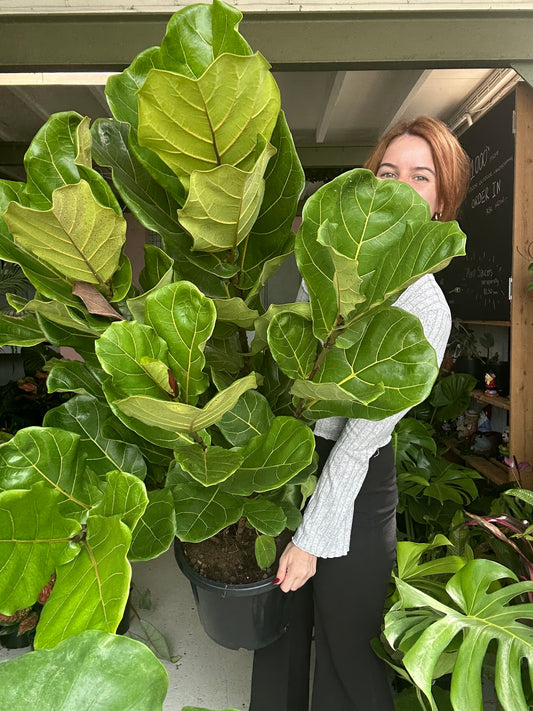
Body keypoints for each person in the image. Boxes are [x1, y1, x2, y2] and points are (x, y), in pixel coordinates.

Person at [249, 116, 471, 711]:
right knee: (279, 638)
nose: (400, 185)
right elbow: (293, 355)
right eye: (388, 171)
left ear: (442, 201)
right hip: (293, 458)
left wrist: (313, 538)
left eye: (420, 176)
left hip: (358, 475)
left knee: (351, 649)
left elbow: (358, 440)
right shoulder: (331, 259)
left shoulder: (426, 306)